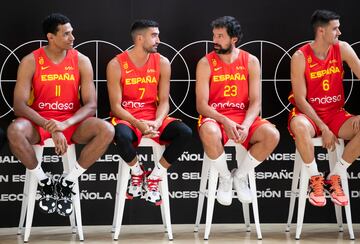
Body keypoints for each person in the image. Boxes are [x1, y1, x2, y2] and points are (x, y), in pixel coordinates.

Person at [7, 13, 114, 216]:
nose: (72, 37)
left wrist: (64, 125)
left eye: (72, 32)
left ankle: (67, 181)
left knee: (107, 129)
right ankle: (45, 182)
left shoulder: (81, 61)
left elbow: (91, 105)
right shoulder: (31, 60)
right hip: (38, 121)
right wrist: (51, 125)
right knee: (14, 130)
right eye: (66, 34)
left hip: (71, 122)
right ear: (51, 37)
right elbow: (19, 106)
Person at [107, 19, 192, 206]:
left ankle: (154, 177)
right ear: (139, 38)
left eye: (158, 35)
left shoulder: (162, 62)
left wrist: (157, 121)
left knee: (184, 132)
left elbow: (164, 102)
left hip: (153, 118)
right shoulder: (116, 64)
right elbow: (115, 107)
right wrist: (139, 124)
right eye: (154, 35)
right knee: (119, 135)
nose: (158, 40)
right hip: (128, 119)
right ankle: (137, 172)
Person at [196, 16, 280, 206]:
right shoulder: (205, 63)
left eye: (220, 36)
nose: (215, 40)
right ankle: (225, 177)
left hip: (243, 117)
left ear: (234, 39)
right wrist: (225, 121)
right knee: (209, 131)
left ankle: (240, 176)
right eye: (214, 35)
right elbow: (201, 105)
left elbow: (256, 101)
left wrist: (245, 125)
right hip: (216, 117)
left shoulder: (250, 61)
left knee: (272, 135)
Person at [288, 9, 360, 207]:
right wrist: (324, 127)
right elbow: (301, 100)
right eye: (335, 29)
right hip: (309, 116)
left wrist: (329, 126)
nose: (339, 33)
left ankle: (335, 175)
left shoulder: (343, 48)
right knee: (300, 126)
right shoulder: (300, 56)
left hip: (335, 113)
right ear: (321, 31)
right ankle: (315, 180)